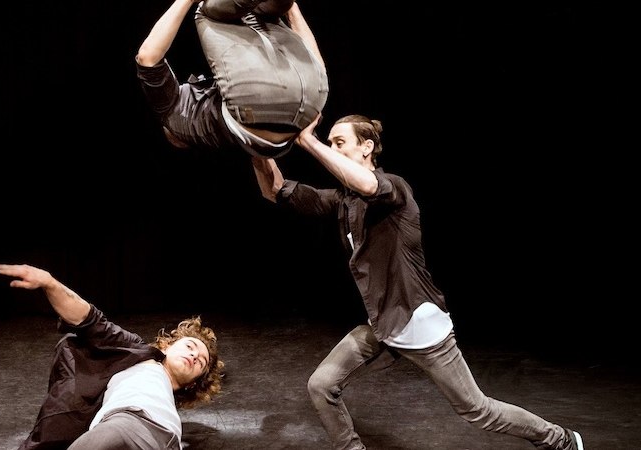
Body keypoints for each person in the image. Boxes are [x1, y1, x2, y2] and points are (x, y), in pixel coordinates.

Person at [250, 114, 585, 450]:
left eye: (340, 143)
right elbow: (275, 189)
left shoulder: (394, 188)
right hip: (383, 325)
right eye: (331, 143)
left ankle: (560, 439)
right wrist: (256, 145)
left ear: (367, 147)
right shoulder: (343, 201)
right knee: (322, 385)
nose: (332, 149)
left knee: (477, 410)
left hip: (419, 324)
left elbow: (367, 185)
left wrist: (308, 141)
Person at [0, 263, 224, 450]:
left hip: (166, 440)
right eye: (190, 346)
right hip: (125, 425)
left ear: (192, 383)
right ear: (166, 345)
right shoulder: (137, 354)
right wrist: (50, 283)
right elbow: (90, 320)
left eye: (200, 362)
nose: (194, 356)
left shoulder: (167, 401)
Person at [136, 0, 328, 159]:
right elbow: (147, 58)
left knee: (262, 18)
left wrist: (291, 8)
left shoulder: (231, 139)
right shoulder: (172, 117)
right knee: (206, 11)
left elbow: (315, 67)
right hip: (260, 105)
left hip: (315, 96)